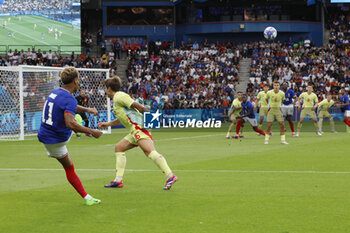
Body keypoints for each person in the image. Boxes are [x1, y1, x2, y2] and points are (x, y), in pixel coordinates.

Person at [37, 67, 102, 206]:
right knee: (69, 168)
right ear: (75, 80)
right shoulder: (70, 99)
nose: (79, 81)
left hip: (46, 133)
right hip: (55, 141)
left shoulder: (56, 92)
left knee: (75, 118)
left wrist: (87, 109)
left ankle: (87, 197)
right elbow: (70, 123)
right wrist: (92, 132)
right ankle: (87, 198)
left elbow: (69, 106)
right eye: (78, 79)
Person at [99, 76, 177, 190]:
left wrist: (152, 119)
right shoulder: (117, 100)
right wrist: (108, 124)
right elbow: (123, 117)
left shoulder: (119, 96)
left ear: (109, 88)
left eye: (106, 88)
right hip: (134, 130)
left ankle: (170, 176)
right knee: (119, 148)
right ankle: (118, 180)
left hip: (138, 128)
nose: (105, 91)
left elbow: (139, 106)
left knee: (149, 152)